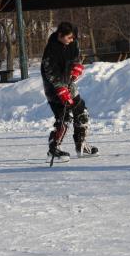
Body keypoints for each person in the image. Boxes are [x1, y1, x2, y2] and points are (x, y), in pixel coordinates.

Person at [41, 21, 98, 163]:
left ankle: (81, 145)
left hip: (69, 85)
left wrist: (77, 66)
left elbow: (76, 57)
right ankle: (53, 149)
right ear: (60, 35)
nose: (72, 40)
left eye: (73, 38)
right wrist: (60, 89)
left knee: (81, 112)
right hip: (54, 89)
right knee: (64, 118)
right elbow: (50, 73)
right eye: (69, 37)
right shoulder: (51, 50)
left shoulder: (73, 43)